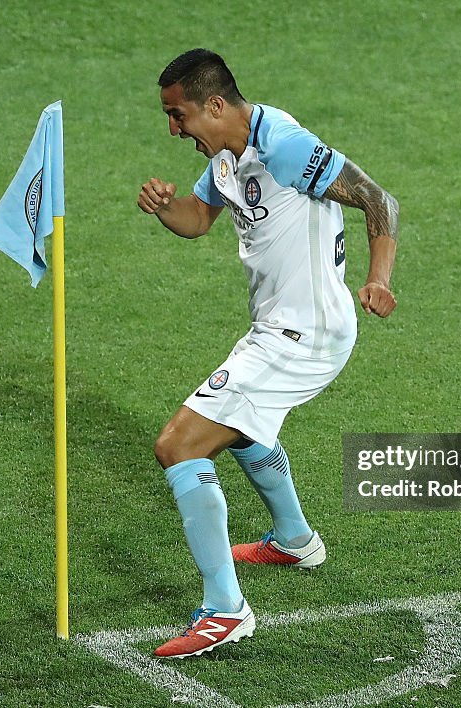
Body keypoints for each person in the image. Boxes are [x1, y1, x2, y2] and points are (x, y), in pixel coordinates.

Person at [137, 48, 398, 659]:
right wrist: (161, 208)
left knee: (178, 444)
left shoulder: (281, 144)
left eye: (178, 116)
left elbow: (379, 199)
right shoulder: (227, 153)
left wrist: (379, 278)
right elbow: (199, 218)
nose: (174, 129)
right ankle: (294, 539)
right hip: (276, 329)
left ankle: (226, 610)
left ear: (216, 105)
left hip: (306, 335)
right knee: (244, 425)